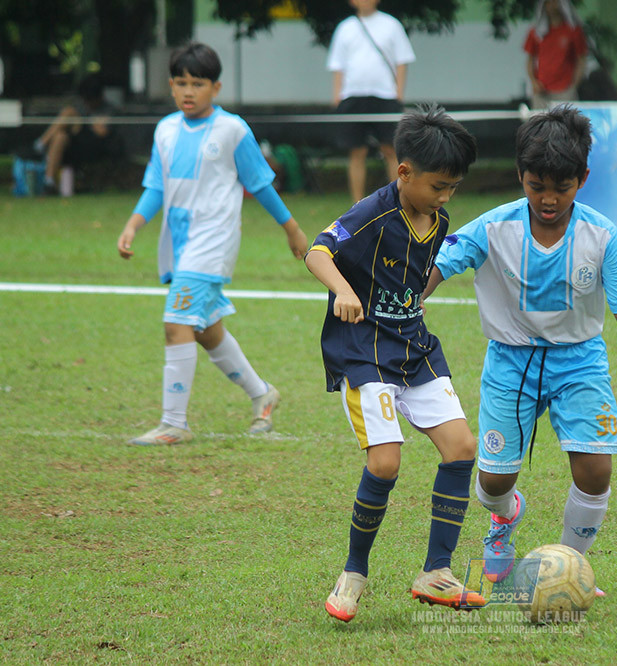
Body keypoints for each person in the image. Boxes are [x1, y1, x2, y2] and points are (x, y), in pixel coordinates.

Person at [424, 105, 617, 590]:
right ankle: (504, 518)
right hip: (511, 362)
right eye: (537, 187)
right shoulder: (493, 227)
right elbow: (439, 265)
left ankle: (567, 567)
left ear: (583, 179)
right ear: (521, 176)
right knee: (493, 482)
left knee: (596, 469)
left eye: (562, 188)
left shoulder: (601, 236)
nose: (548, 199)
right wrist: (413, 299)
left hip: (580, 360)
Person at [306, 105, 482, 623]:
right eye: (438, 186)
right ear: (404, 173)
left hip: (416, 350)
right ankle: (353, 573)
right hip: (365, 355)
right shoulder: (373, 213)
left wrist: (415, 300)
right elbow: (318, 251)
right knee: (385, 463)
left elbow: (417, 275)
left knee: (461, 448)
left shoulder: (439, 217)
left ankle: (436, 572)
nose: (446, 197)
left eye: (453, 187)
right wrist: (342, 290)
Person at [116, 42, 309, 446]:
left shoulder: (232, 129)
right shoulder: (165, 130)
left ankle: (174, 423)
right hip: (180, 245)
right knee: (206, 331)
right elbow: (155, 185)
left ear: (215, 88)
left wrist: (291, 228)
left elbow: (260, 184)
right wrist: (134, 225)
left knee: (177, 324)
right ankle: (263, 395)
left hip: (213, 242)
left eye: (198, 83)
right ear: (171, 86)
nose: (189, 91)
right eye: (181, 83)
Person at [326, 0, 415, 203]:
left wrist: (398, 93)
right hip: (353, 96)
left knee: (391, 149)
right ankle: (357, 204)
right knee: (357, 151)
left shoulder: (391, 25)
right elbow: (338, 65)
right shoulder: (345, 28)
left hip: (385, 95)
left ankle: (398, 200)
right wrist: (337, 96)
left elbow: (402, 61)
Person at [33, 72, 120, 195]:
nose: (87, 103)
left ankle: (41, 144)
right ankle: (49, 182)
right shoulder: (82, 107)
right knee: (60, 136)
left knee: (69, 113)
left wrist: (85, 121)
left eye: (89, 100)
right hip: (77, 144)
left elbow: (102, 132)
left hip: (95, 146)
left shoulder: (108, 109)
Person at [524, 0, 588, 109]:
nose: (552, 6)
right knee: (540, 124)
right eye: (548, 2)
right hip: (542, 91)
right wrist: (534, 82)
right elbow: (530, 60)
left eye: (555, 2)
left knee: (565, 124)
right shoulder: (536, 32)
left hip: (565, 91)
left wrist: (573, 85)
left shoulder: (573, 31)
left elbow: (581, 60)